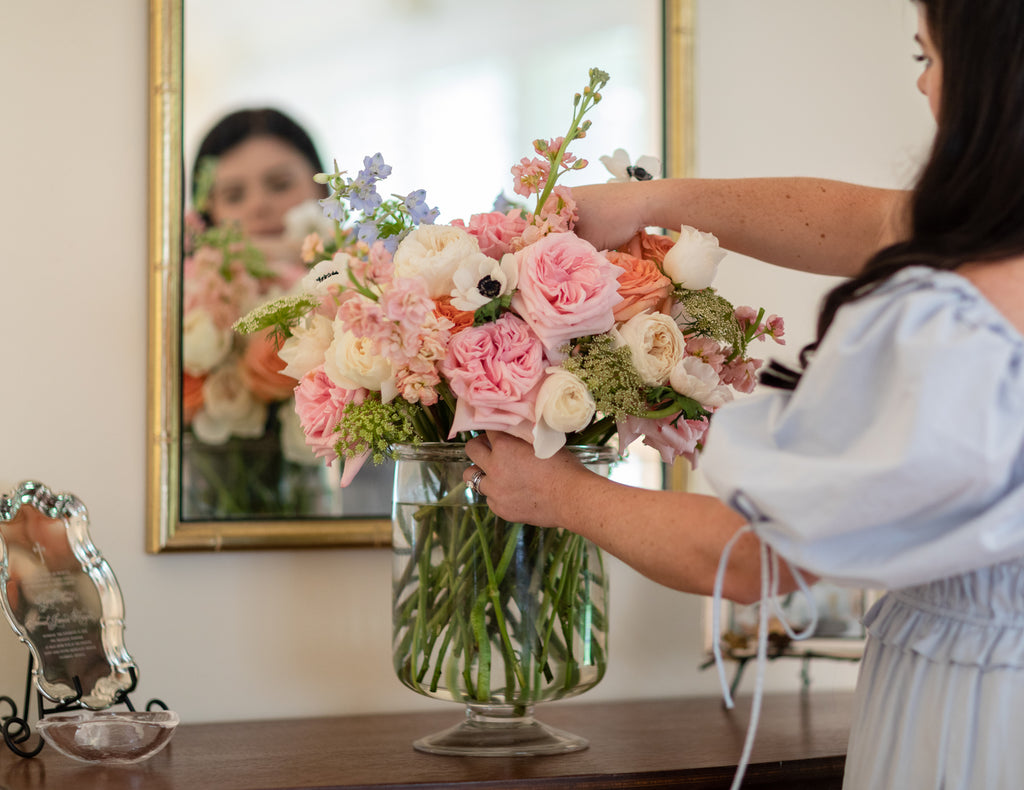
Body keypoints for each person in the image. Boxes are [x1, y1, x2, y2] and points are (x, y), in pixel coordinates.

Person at [464, 1, 1024, 787]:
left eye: (925, 58)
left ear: (993, 77)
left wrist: (555, 493)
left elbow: (751, 558)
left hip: (980, 713)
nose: (927, 88)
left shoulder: (949, 324)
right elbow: (868, 219)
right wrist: (653, 201)